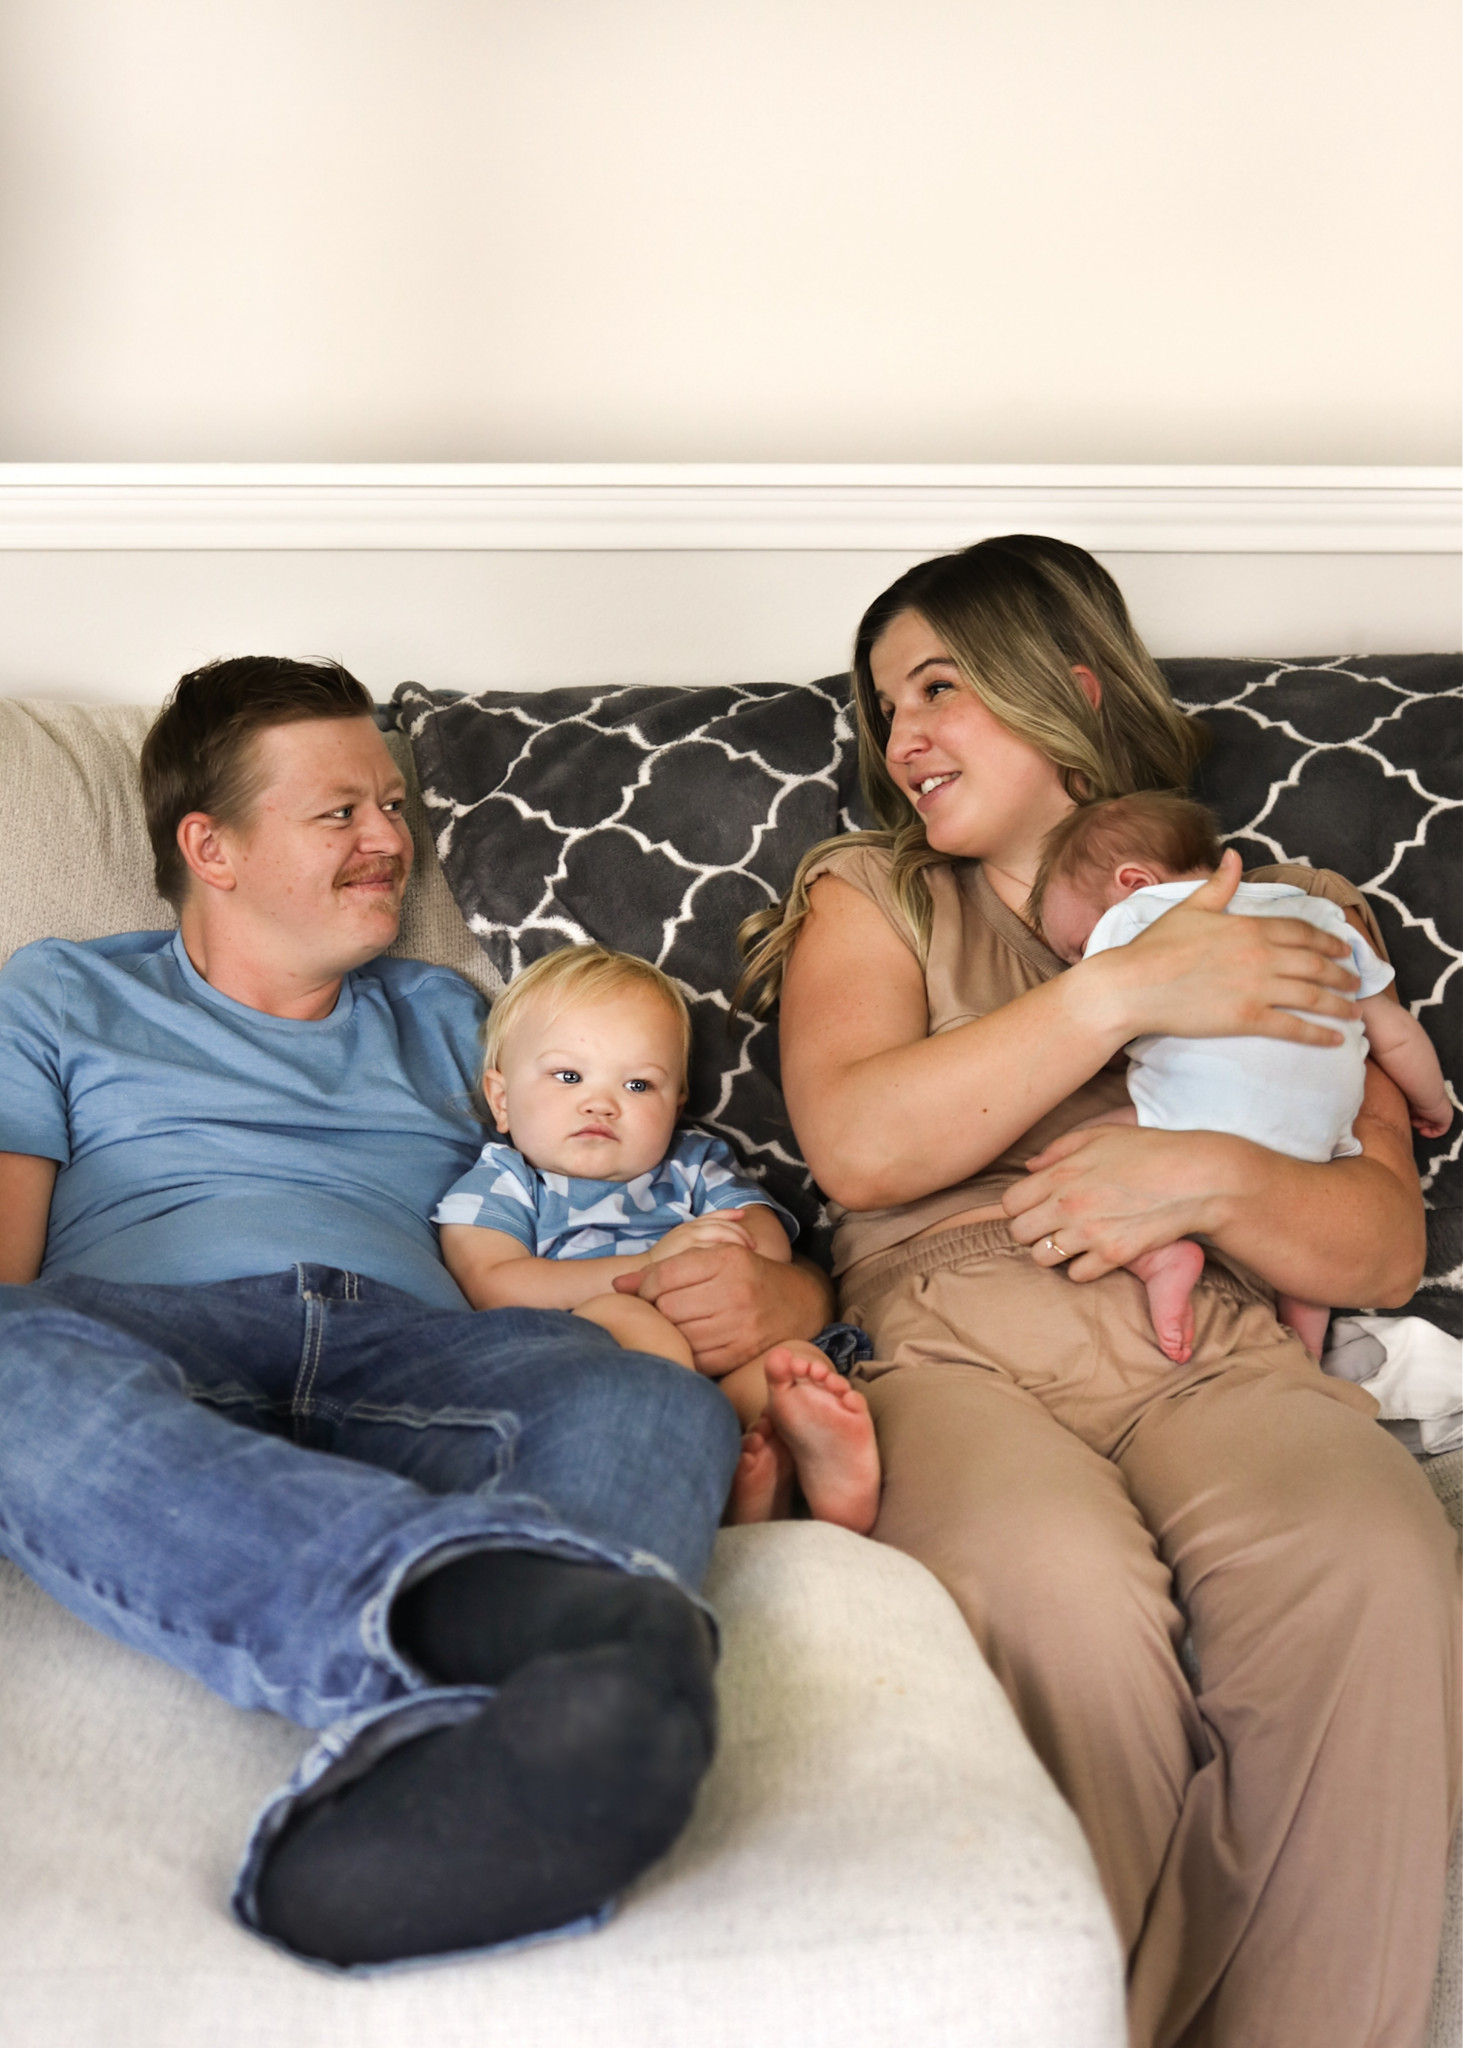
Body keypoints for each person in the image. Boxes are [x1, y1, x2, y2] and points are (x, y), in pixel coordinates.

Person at [0, 655, 833, 1972]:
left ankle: (527, 1710)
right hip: (159, 1344)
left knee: (644, 1392)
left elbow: (636, 1200)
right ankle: (513, 1641)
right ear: (210, 847)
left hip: (419, 1353)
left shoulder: (453, 1020)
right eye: (339, 811)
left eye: (392, 804)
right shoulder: (57, 994)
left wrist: (781, 1286)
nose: (390, 837)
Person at [738, 536, 1459, 2048]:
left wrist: (1199, 1177)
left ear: (1064, 686)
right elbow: (858, 1145)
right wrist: (1118, 990)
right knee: (1056, 1598)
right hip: (952, 1340)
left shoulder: (1284, 907)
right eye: (883, 709)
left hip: (1213, 1334)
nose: (900, 735)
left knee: (1374, 1561)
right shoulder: (874, 893)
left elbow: (1379, 1246)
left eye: (936, 687)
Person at [434, 942, 880, 1532]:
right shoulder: (507, 1181)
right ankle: (699, 1462)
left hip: (717, 1352)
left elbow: (769, 1245)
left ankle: (782, 1474)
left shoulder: (691, 1164)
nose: (601, 1103)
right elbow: (494, 1285)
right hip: (590, 1371)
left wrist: (727, 1253)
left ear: (676, 1105)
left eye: (640, 1086)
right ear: (502, 1100)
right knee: (624, 1315)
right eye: (568, 1076)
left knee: (793, 1367)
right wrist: (651, 1265)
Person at [1028, 790, 1453, 1363]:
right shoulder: (1320, 914)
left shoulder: (1134, 917)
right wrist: (1433, 1103)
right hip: (1317, 1140)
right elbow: (1394, 1033)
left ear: (1133, 881)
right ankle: (1307, 1351)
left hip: (1196, 1118)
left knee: (1069, 1157)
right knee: (1303, 1259)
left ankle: (1161, 1258)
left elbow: (1095, 1032)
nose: (1080, 963)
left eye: (1078, 946)